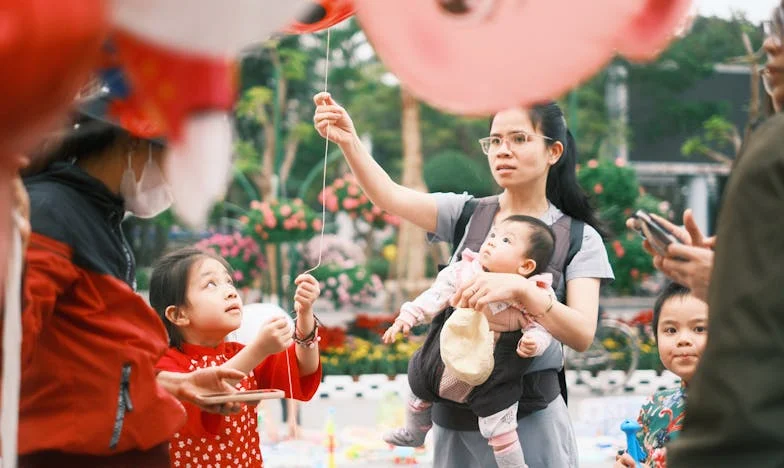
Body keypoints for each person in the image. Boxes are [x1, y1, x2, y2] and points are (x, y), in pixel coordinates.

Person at [313, 92, 614, 467]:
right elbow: (390, 197)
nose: (503, 151)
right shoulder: (468, 214)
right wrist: (349, 141)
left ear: (554, 152)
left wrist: (522, 290)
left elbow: (582, 334)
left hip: (529, 423)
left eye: (519, 139)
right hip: (453, 422)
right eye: (495, 141)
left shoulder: (579, 237)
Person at [18, 111, 245, 467]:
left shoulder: (96, 214)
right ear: (135, 140)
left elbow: (89, 356)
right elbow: (15, 345)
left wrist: (168, 383)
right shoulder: (49, 213)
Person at [666, 2, 784, 466]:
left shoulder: (773, 150)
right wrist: (733, 276)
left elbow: (752, 356)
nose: (770, 44)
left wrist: (732, 286)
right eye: (769, 29)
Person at [383, 215, 557, 468]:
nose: (492, 242)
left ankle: (513, 465)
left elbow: (542, 325)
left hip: (495, 371)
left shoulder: (533, 290)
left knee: (501, 425)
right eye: (494, 235)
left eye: (506, 240)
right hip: (447, 357)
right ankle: (415, 432)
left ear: (526, 266)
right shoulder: (464, 271)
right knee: (417, 381)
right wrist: (408, 316)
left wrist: (534, 341)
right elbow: (435, 297)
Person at [151, 247, 323, 467]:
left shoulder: (240, 352)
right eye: (210, 284)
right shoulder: (167, 367)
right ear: (178, 314)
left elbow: (303, 369)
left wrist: (305, 315)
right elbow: (203, 393)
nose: (231, 292)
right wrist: (259, 349)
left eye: (229, 282)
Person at [614, 283, 708, 468]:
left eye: (699, 329)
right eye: (671, 330)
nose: (683, 340)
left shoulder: (745, 409)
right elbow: (639, 458)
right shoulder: (654, 406)